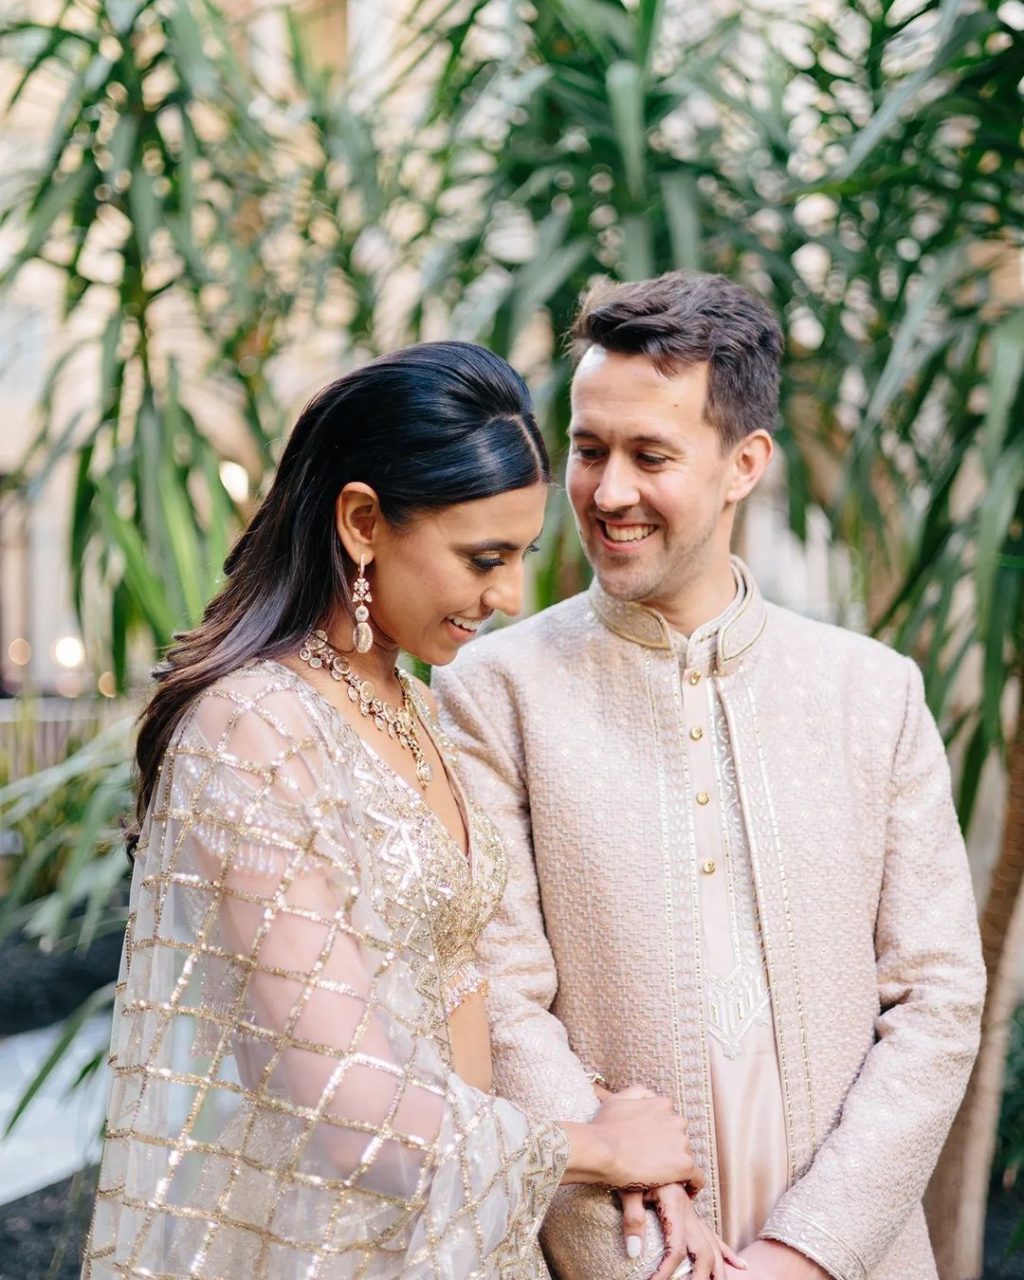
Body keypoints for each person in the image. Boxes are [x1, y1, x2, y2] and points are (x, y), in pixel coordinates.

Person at [81, 341, 735, 1280]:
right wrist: (597, 1149)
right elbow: (346, 1106)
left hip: (469, 1231)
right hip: (335, 1246)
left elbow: (459, 991)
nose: (507, 596)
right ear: (361, 521)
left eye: (520, 557)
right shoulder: (252, 727)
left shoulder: (416, 706)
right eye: (483, 557)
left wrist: (607, 1125)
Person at [433, 274, 986, 1280]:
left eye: (650, 455)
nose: (606, 492)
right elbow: (499, 997)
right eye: (589, 449)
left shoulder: (874, 692)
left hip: (852, 1255)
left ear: (744, 464)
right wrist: (643, 1256)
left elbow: (936, 998)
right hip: (618, 1257)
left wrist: (805, 1251)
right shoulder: (493, 689)